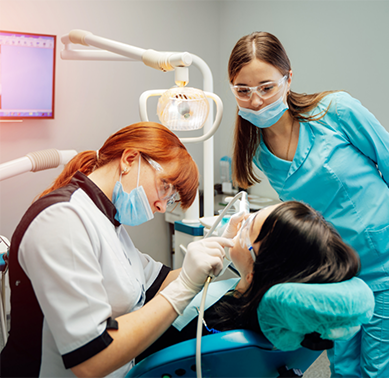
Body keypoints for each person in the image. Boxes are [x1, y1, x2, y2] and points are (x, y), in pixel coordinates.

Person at [227, 32, 389, 377]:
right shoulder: (260, 151)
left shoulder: (335, 110)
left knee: (379, 369)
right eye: (243, 91)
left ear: (288, 79)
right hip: (334, 270)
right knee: (343, 365)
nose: (257, 101)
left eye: (266, 87)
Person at [0, 121, 233, 378]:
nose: (162, 206)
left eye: (171, 197)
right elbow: (91, 359)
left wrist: (227, 247)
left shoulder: (108, 221)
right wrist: (186, 286)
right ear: (130, 159)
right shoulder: (63, 218)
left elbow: (159, 281)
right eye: (165, 186)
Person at [137, 200, 360, 360]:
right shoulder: (284, 323)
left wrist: (186, 284)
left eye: (249, 227)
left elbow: (141, 339)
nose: (242, 221)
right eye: (254, 214)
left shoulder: (213, 328)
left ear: (254, 272)